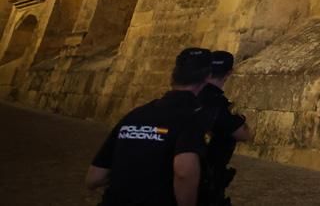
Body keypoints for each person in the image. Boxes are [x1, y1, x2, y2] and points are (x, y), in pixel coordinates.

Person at [85, 47, 213, 206]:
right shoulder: (191, 118)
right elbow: (184, 172)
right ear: (207, 78)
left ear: (173, 76)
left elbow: (94, 177)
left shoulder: (134, 116)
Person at [199, 50, 254, 205]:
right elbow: (243, 134)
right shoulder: (218, 103)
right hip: (206, 173)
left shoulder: (194, 94)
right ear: (229, 73)